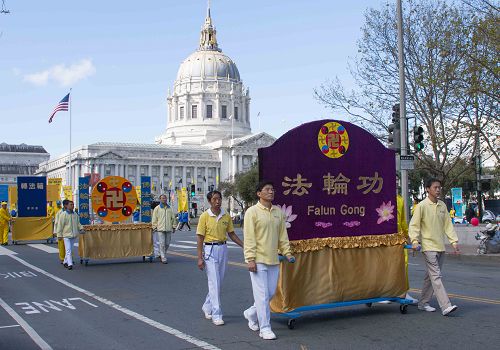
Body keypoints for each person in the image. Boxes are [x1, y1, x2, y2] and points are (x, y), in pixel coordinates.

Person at [243, 181, 295, 340]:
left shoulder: (278, 212)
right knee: (262, 295)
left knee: (270, 293)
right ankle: (264, 328)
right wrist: (250, 258)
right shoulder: (252, 212)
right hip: (258, 259)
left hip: (273, 259)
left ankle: (251, 313)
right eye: (267, 189)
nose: (271, 192)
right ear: (259, 193)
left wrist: (287, 252)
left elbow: (282, 236)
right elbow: (249, 237)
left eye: (272, 189)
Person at [409, 178, 459, 316]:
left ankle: (423, 302)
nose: (438, 189)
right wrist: (414, 240)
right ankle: (445, 305)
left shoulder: (442, 205)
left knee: (430, 276)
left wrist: (454, 242)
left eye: (439, 187)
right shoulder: (422, 206)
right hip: (428, 246)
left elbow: (448, 225)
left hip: (440, 246)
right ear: (427, 189)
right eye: (435, 187)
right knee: (436, 276)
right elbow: (414, 225)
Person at [197, 190, 244, 326]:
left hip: (223, 248)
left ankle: (207, 305)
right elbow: (200, 237)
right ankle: (216, 314)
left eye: (219, 199)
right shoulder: (205, 216)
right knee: (214, 282)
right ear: (210, 201)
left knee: (218, 282)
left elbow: (232, 234)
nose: (217, 201)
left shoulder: (226, 215)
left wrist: (243, 246)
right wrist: (199, 258)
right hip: (209, 249)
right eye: (214, 199)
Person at [56, 200, 83, 270]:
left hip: (74, 235)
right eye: (71, 204)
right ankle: (70, 264)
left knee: (70, 249)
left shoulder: (75, 214)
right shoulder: (63, 214)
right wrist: (59, 235)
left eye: (73, 204)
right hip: (66, 236)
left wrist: (81, 229)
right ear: (67, 206)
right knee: (68, 250)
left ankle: (65, 261)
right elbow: (60, 225)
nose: (72, 206)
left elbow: (78, 223)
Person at [151, 194, 176, 264]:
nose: (164, 199)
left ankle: (161, 254)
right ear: (160, 199)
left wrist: (174, 226)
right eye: (162, 198)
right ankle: (163, 257)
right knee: (162, 243)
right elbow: (154, 219)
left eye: (165, 198)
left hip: (168, 228)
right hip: (160, 229)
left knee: (167, 243)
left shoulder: (170, 208)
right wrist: (154, 227)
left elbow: (173, 218)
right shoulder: (157, 208)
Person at [54, 199, 68, 264]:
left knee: (68, 247)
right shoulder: (59, 212)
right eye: (69, 204)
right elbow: (56, 223)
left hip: (68, 232)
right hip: (61, 232)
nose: (71, 206)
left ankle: (68, 259)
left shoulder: (71, 212)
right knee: (62, 246)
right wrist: (55, 232)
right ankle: (62, 259)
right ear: (65, 205)